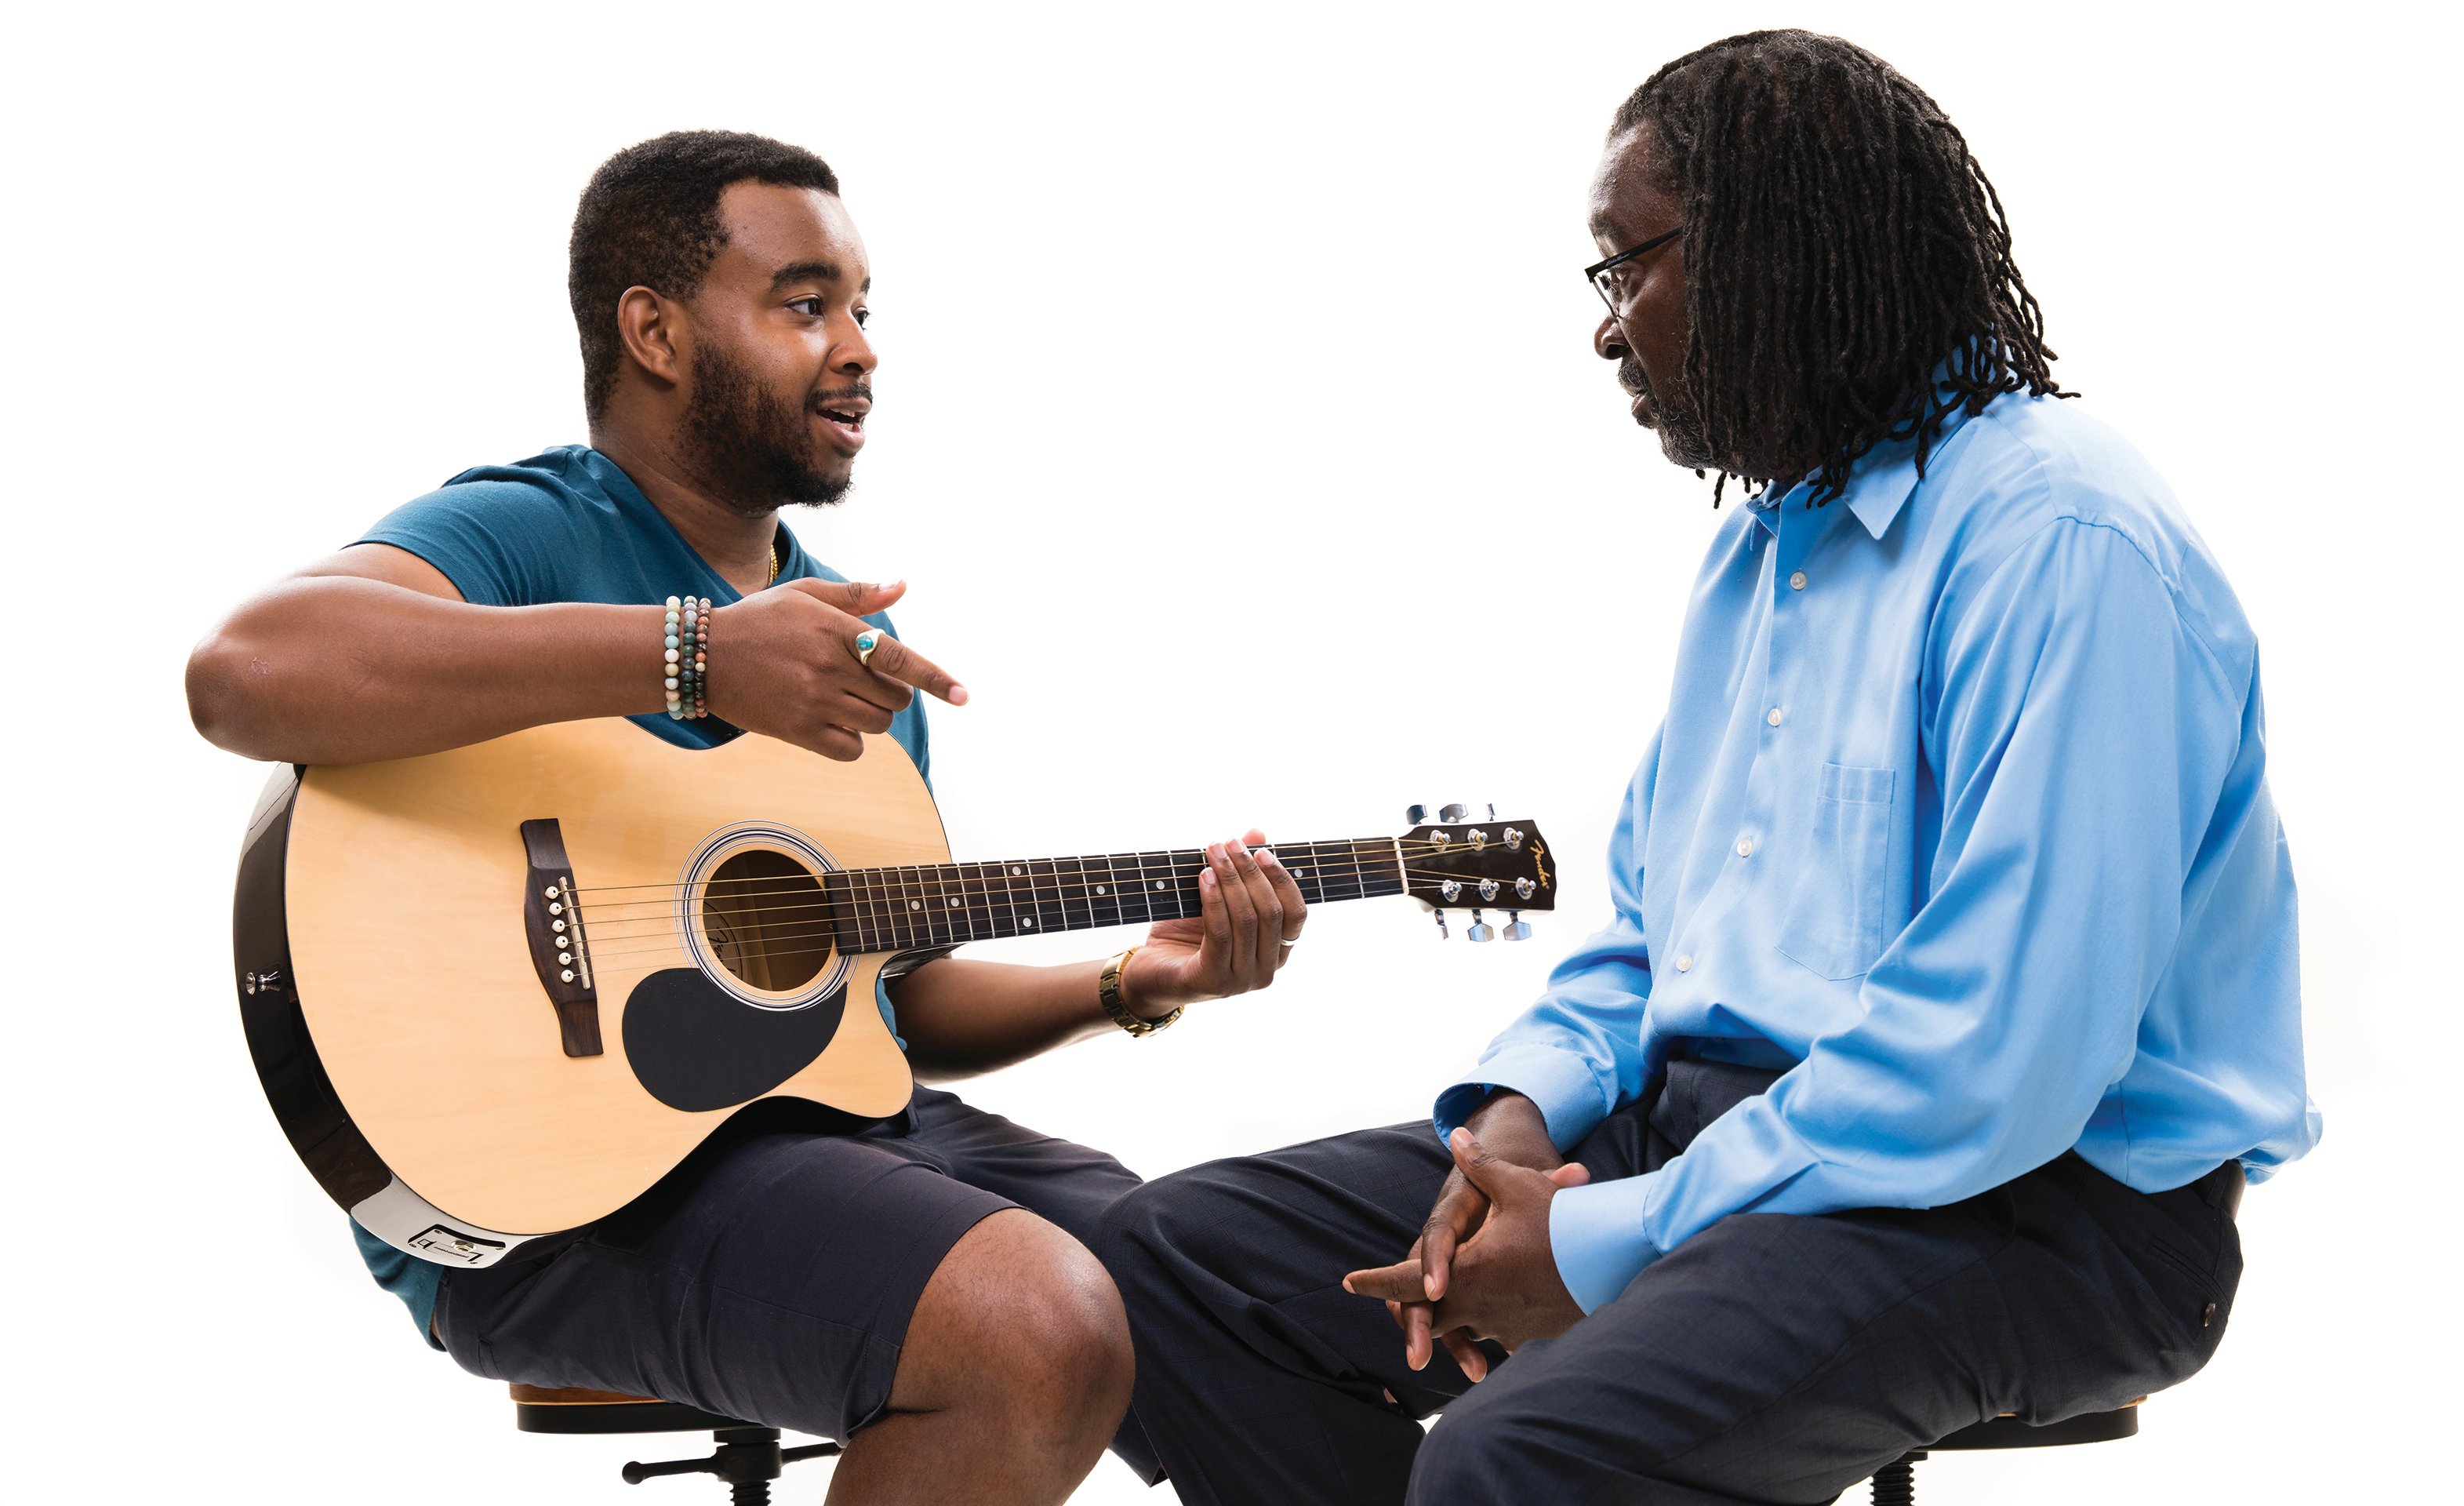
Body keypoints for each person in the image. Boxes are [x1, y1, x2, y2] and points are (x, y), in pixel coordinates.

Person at [1095, 31, 2319, 1505]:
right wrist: (1515, 1127)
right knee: (1163, 1271)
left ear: (1771, 250)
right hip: (1723, 1131)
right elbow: (1649, 934)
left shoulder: (2062, 540)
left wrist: (1604, 1240)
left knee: (1514, 1462)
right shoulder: (1763, 554)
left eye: (1627, 268)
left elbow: (1998, 1063)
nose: (1608, 330)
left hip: (2043, 1204)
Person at [186, 129, 1307, 1506]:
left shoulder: (856, 655)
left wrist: (1133, 980)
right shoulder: (537, 530)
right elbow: (245, 674)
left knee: (1224, 1293)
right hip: (552, 1193)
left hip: (828, 1138)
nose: (860, 349)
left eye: (862, 310)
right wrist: (697, 657)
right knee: (1035, 1319)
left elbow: (892, 1011)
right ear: (653, 331)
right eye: (804, 302)